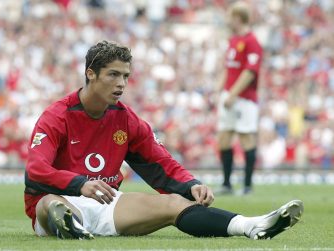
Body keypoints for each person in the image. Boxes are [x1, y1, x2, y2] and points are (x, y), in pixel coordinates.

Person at [24, 40, 303, 240]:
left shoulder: (126, 118)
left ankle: (251, 226)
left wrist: (191, 185)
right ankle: (70, 225)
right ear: (90, 74)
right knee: (52, 205)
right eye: (113, 75)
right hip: (58, 199)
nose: (121, 83)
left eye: (126, 76)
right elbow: (36, 169)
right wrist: (80, 184)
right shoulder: (57, 115)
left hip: (106, 204)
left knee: (174, 204)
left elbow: (160, 161)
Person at [216, 1, 263, 195]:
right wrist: (220, 90)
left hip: (244, 98)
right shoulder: (233, 40)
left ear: (237, 18)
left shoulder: (252, 42)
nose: (228, 20)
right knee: (224, 139)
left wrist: (233, 93)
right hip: (229, 95)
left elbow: (250, 72)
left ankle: (247, 186)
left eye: (230, 17)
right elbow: (230, 68)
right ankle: (227, 184)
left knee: (245, 138)